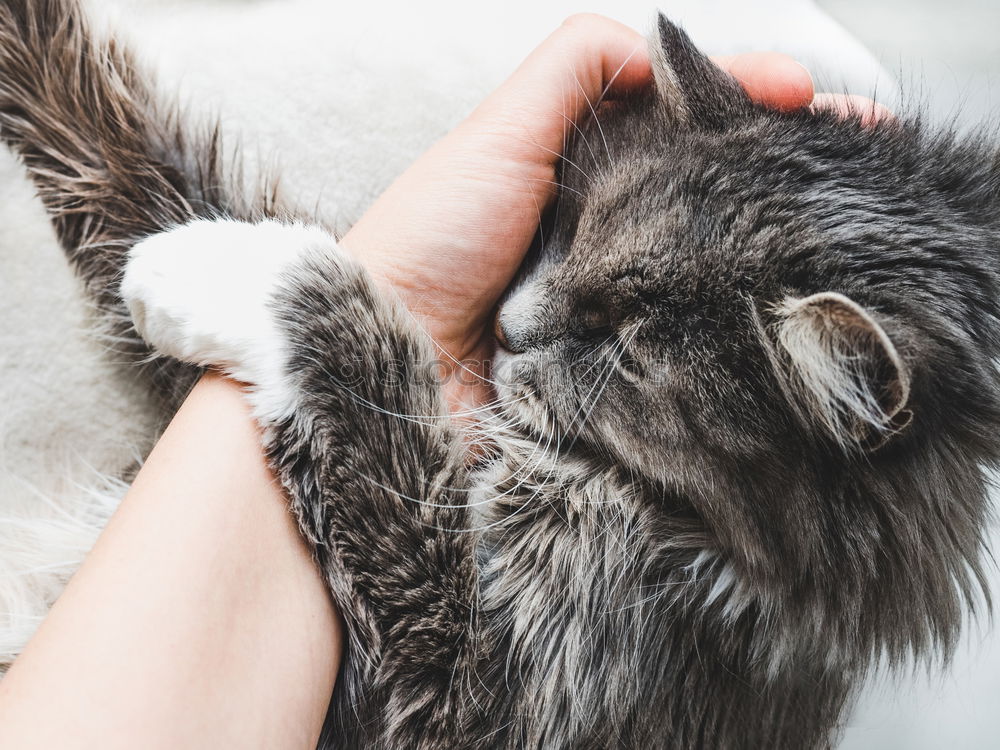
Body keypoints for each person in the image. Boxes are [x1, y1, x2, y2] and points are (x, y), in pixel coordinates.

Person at [0, 14, 884, 749]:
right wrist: (385, 300)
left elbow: (432, 696)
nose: (518, 325)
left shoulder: (715, 629)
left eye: (626, 353)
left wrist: (345, 334)